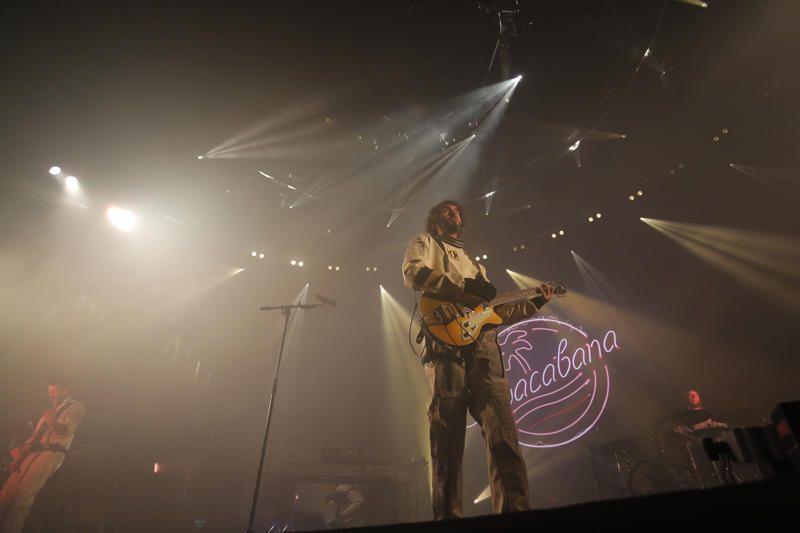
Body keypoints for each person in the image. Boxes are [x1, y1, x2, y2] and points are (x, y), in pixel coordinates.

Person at [402, 200, 553, 519]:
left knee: (504, 435)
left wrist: (534, 302)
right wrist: (463, 286)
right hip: (445, 346)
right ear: (435, 220)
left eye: (457, 210)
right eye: (446, 210)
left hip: (484, 349)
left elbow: (491, 314)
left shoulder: (476, 265)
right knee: (447, 441)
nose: (454, 212)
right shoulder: (424, 242)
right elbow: (413, 273)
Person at [0, 377, 85, 533]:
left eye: (54, 391)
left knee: (23, 497)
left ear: (66, 390)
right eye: (49, 391)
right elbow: (35, 437)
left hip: (50, 453)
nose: (51, 395)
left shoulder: (76, 407)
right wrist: (19, 453)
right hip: (32, 453)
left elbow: (63, 431)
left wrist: (51, 419)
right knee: (6, 493)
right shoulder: (50, 411)